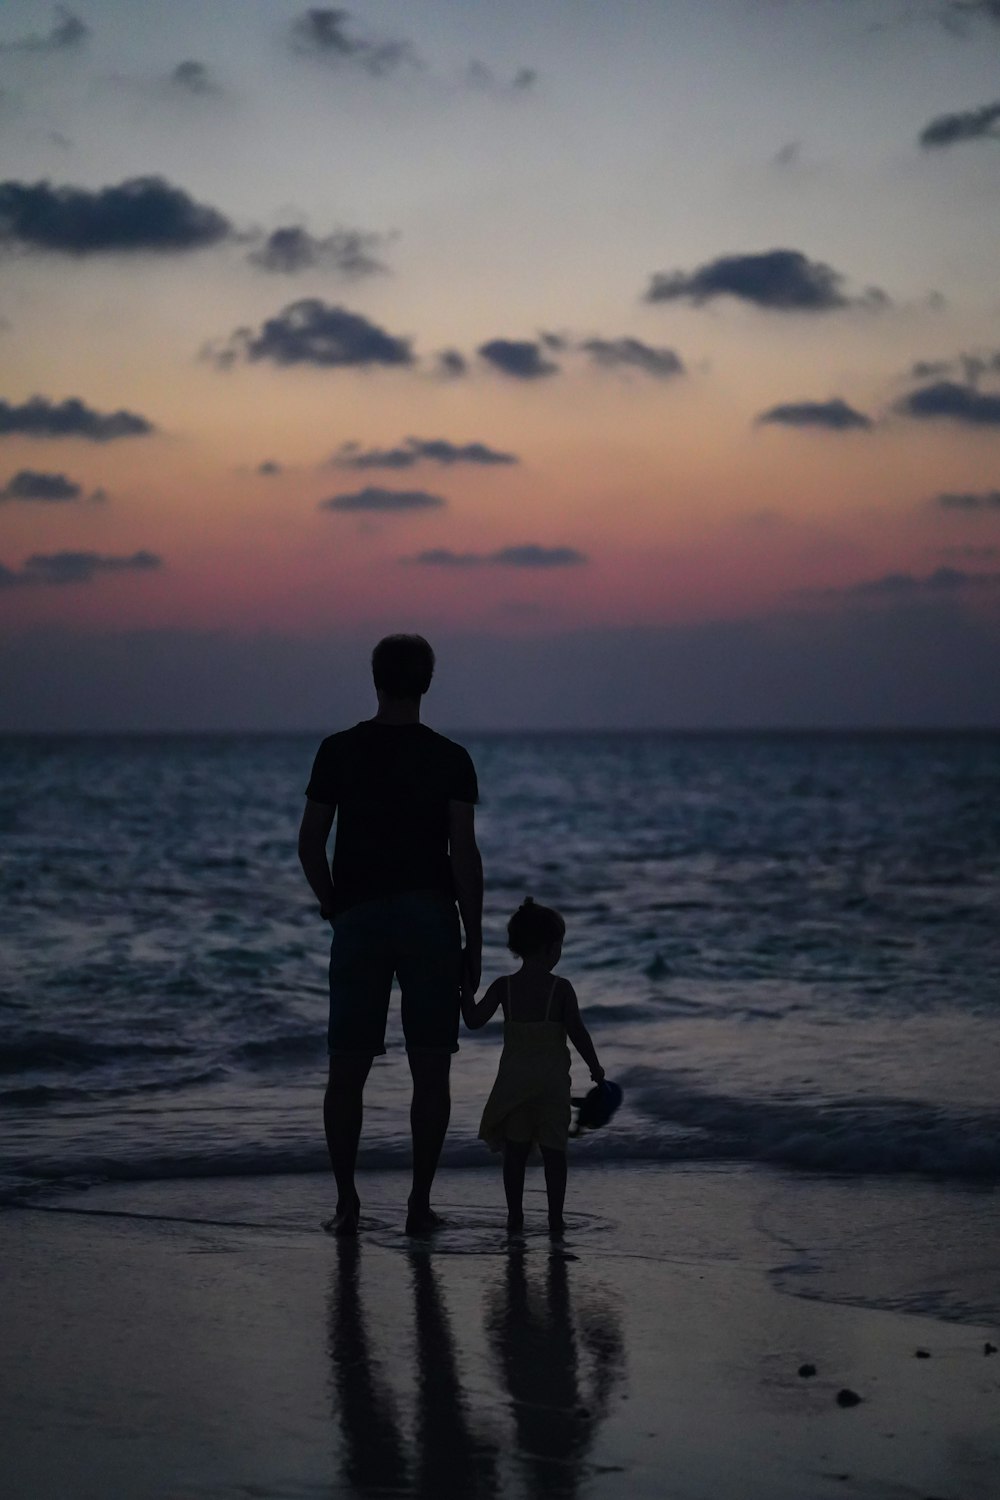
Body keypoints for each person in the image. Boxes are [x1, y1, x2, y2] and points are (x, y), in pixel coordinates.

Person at [298, 634, 483, 1237]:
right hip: (431, 916)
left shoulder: (338, 750)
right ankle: (418, 1205)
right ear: (427, 682)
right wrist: (474, 937)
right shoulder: (451, 757)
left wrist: (333, 906)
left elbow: (309, 842)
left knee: (347, 1068)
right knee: (431, 1069)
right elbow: (463, 854)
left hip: (360, 917)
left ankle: (347, 1203)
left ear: (375, 680)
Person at [462, 898, 604, 1237]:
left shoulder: (503, 987)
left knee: (515, 1153)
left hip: (515, 1084)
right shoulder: (561, 988)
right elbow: (577, 1032)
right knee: (555, 1154)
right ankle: (556, 1218)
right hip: (553, 1085)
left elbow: (473, 1020)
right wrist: (595, 1068)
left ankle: (515, 1216)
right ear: (549, 947)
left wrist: (463, 988)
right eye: (559, 945)